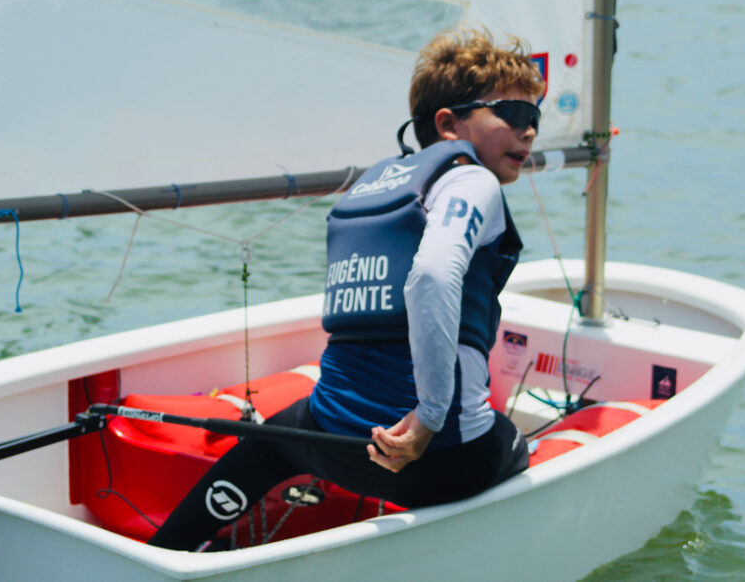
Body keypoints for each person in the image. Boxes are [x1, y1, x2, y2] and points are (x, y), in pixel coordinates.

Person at [149, 27, 543, 551]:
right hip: (433, 462)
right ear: (448, 124)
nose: (529, 131)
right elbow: (431, 276)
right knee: (513, 443)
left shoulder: (372, 183)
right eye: (513, 114)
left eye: (535, 117)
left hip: (333, 442)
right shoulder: (473, 181)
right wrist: (427, 419)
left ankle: (164, 553)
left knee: (269, 442)